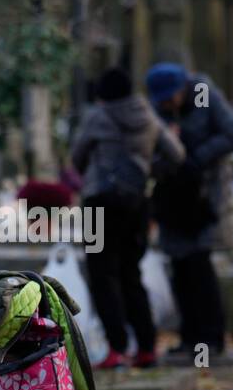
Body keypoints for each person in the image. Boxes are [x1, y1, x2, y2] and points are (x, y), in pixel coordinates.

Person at [70, 66, 185, 369]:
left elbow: (77, 157)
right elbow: (176, 155)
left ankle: (115, 348)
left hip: (98, 204)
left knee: (101, 275)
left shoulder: (97, 116)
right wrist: (149, 170)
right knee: (131, 273)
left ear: (103, 96)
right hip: (136, 203)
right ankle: (147, 348)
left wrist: (94, 175)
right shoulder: (148, 115)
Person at [145, 62, 233, 359]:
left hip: (205, 197)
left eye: (170, 98)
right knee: (179, 269)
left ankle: (210, 339)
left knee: (199, 266)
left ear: (182, 89)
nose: (166, 105)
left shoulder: (202, 93)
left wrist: (195, 154)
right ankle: (189, 338)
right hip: (173, 199)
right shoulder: (160, 110)